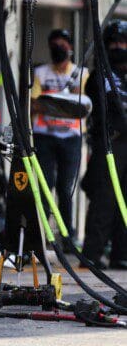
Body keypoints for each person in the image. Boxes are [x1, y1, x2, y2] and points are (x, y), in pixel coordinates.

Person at [31, 29, 88, 242]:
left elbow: (83, 106)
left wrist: (49, 104)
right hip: (44, 135)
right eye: (54, 45)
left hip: (72, 136)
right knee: (46, 184)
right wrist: (65, 105)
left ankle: (67, 234)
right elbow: (33, 103)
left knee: (66, 187)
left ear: (70, 48)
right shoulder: (41, 72)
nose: (58, 48)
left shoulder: (82, 73)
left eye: (62, 45)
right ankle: (42, 233)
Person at [82, 20, 127, 270]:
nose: (119, 47)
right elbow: (98, 105)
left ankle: (121, 253)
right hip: (110, 143)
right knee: (105, 199)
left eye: (123, 43)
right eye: (114, 43)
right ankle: (93, 252)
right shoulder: (100, 74)